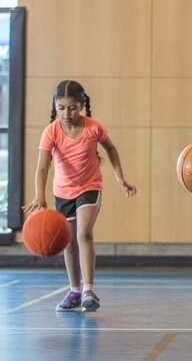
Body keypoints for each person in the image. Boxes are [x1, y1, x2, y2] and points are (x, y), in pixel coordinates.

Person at [23, 80, 137, 312]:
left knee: (83, 233)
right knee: (68, 242)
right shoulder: (51, 132)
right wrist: (40, 196)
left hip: (89, 187)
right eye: (61, 107)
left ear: (82, 105)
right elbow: (42, 167)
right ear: (55, 106)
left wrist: (119, 178)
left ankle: (88, 290)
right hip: (63, 192)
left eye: (72, 107)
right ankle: (75, 290)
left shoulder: (93, 128)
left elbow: (111, 150)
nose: (66, 113)